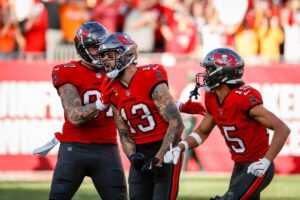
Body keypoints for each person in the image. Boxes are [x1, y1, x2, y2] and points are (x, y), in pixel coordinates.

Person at [164, 48, 290, 200]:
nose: (205, 74)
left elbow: (282, 128)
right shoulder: (212, 97)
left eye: (209, 70)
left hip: (257, 165)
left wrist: (266, 161)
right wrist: (180, 147)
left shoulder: (243, 98)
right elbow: (202, 132)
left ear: (222, 74)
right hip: (239, 166)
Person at [97, 32, 203, 200]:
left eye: (111, 55)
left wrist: (160, 157)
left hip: (165, 148)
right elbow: (124, 132)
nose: (106, 61)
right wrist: (133, 156)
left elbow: (176, 123)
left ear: (127, 54)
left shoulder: (150, 74)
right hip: (140, 150)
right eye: (104, 56)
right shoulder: (112, 89)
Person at [48, 22, 127, 200]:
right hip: (74, 148)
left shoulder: (117, 71)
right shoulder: (68, 71)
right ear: (83, 49)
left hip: (107, 148)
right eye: (94, 47)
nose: (100, 51)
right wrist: (100, 104)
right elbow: (74, 116)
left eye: (103, 46)